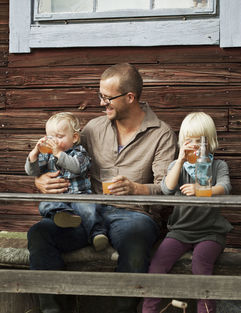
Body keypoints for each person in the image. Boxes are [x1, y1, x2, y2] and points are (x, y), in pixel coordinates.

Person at [28, 63, 177, 313]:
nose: (101, 103)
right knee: (40, 234)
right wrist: (39, 181)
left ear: (130, 98)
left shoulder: (161, 134)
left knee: (136, 243)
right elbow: (65, 158)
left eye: (107, 98)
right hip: (87, 211)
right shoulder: (92, 128)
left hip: (134, 215)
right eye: (101, 96)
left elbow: (167, 190)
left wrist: (136, 189)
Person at [142, 112, 233, 313]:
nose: (194, 145)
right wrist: (181, 159)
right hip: (181, 230)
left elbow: (225, 187)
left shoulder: (218, 166)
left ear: (209, 142)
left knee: (201, 268)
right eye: (189, 140)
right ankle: (149, 310)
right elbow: (167, 188)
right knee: (157, 266)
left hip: (210, 232)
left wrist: (202, 190)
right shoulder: (177, 165)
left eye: (200, 140)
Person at [25, 112, 108, 252]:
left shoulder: (80, 153)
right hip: (58, 199)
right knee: (45, 204)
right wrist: (34, 153)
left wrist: (58, 154)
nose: (55, 141)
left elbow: (76, 167)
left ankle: (97, 234)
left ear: (74, 137)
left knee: (89, 209)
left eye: (60, 136)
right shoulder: (48, 155)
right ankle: (64, 216)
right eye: (51, 137)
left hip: (80, 197)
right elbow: (32, 171)